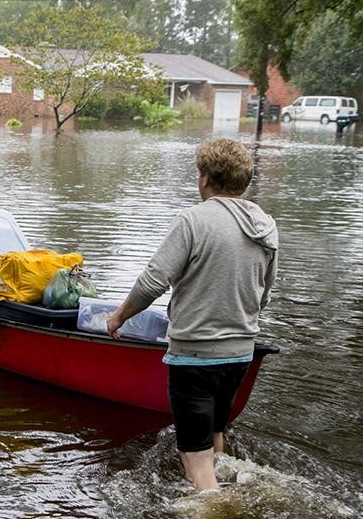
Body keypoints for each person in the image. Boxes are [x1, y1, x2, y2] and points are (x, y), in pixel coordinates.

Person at [106, 138, 279, 492]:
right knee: (215, 432)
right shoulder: (266, 225)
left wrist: (118, 317)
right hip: (241, 354)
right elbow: (265, 292)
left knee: (194, 455)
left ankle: (214, 505)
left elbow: (153, 281)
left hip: (196, 357)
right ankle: (225, 483)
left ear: (204, 178)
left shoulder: (193, 221)